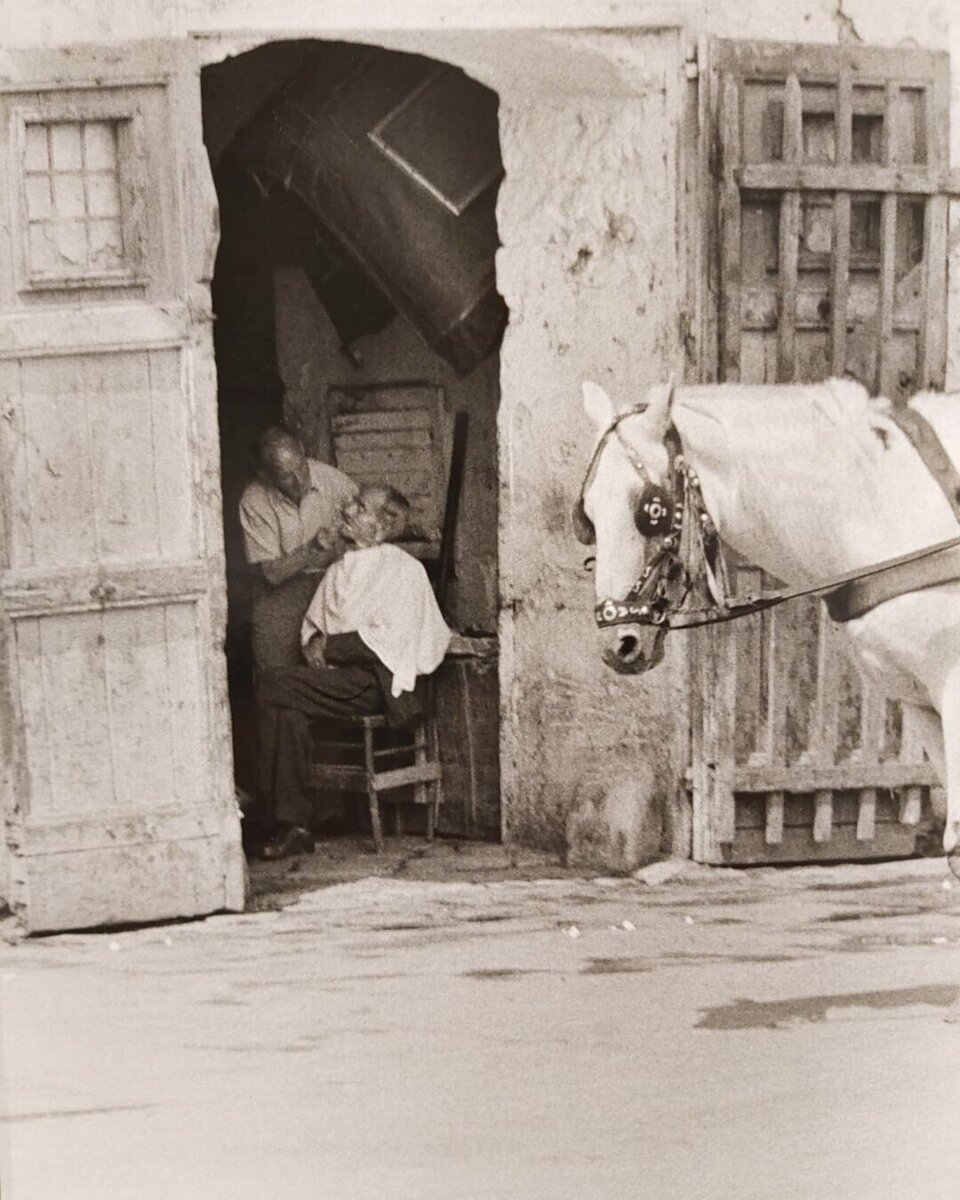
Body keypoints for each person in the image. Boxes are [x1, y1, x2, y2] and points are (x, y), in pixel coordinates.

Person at [256, 484, 452, 860]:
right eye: (352, 503)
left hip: (377, 683)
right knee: (287, 712)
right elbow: (313, 628)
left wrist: (328, 646)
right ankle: (293, 825)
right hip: (339, 681)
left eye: (359, 507)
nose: (346, 509)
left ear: (384, 523)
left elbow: (390, 640)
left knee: (270, 682)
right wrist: (315, 641)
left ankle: (268, 811)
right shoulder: (339, 569)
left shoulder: (404, 571)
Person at [239, 426, 357, 672]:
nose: (300, 480)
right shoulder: (254, 500)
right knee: (276, 673)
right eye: (286, 475)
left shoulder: (333, 481)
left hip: (332, 581)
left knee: (337, 663)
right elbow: (272, 574)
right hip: (281, 589)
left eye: (301, 466)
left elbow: (364, 527)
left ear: (303, 452)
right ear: (265, 475)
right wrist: (312, 548)